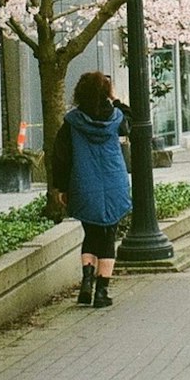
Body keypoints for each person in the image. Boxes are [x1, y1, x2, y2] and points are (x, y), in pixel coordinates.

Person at [50, 71, 131, 309]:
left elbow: (60, 158)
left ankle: (86, 282)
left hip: (84, 184)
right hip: (113, 182)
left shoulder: (72, 122)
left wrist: (62, 188)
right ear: (105, 93)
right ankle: (102, 292)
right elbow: (131, 121)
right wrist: (114, 98)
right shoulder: (116, 117)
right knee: (108, 236)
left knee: (92, 233)